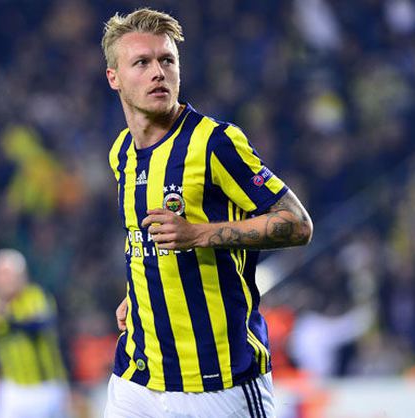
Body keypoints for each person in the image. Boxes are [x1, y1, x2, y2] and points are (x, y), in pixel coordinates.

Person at [102, 8, 313, 417]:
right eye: (141, 63)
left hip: (220, 380)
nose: (158, 72)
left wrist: (198, 234)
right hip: (137, 378)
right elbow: (143, 239)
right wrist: (136, 293)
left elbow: (298, 224)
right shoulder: (121, 152)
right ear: (114, 77)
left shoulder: (215, 143)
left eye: (167, 60)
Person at [0, 248, 69, 418]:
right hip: (11, 388)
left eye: (7, 274)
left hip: (45, 387)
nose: (2, 280)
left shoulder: (35, 296)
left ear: (21, 276)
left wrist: (5, 317)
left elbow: (39, 326)